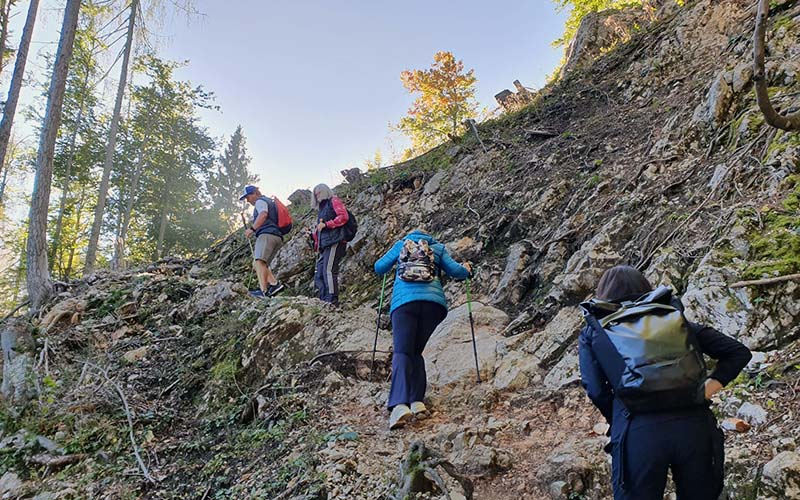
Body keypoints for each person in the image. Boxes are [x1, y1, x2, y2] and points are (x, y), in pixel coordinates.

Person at [579, 265, 752, 500]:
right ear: (645, 288)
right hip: (694, 425)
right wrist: (710, 387)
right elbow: (738, 352)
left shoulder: (597, 331)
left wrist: (620, 415)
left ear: (604, 294)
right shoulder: (674, 322)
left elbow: (596, 388)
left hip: (637, 430)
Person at [374, 230, 471, 430]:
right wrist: (468, 269)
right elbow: (457, 272)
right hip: (433, 306)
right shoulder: (438, 248)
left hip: (404, 305)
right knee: (416, 351)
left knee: (402, 351)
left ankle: (400, 404)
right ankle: (417, 401)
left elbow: (379, 267)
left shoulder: (401, 245)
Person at [240, 185, 285, 297]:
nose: (247, 200)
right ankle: (274, 284)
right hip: (276, 236)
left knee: (259, 262)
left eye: (248, 197)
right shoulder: (269, 201)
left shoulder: (260, 201)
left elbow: (263, 214)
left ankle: (263, 291)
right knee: (257, 264)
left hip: (266, 235)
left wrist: (252, 229)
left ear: (255, 193)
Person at [311, 183, 350, 306]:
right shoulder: (322, 209)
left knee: (328, 270)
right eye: (315, 193)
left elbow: (344, 216)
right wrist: (313, 236)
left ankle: (332, 300)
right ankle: (324, 299)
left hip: (336, 241)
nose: (318, 195)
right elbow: (321, 230)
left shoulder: (334, 201)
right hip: (326, 244)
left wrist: (327, 224)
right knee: (320, 273)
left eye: (319, 192)